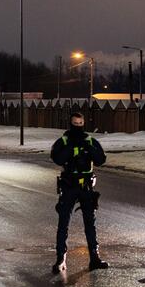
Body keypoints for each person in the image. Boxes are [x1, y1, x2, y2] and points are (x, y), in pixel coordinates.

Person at [50, 112, 109, 274]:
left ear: (84, 123)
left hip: (86, 187)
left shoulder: (90, 140)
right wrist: (70, 147)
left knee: (90, 224)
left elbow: (101, 160)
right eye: (75, 123)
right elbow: (57, 158)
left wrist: (88, 147)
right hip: (69, 186)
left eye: (80, 123)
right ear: (70, 123)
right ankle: (60, 258)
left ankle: (94, 258)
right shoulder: (63, 141)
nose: (78, 126)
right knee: (63, 223)